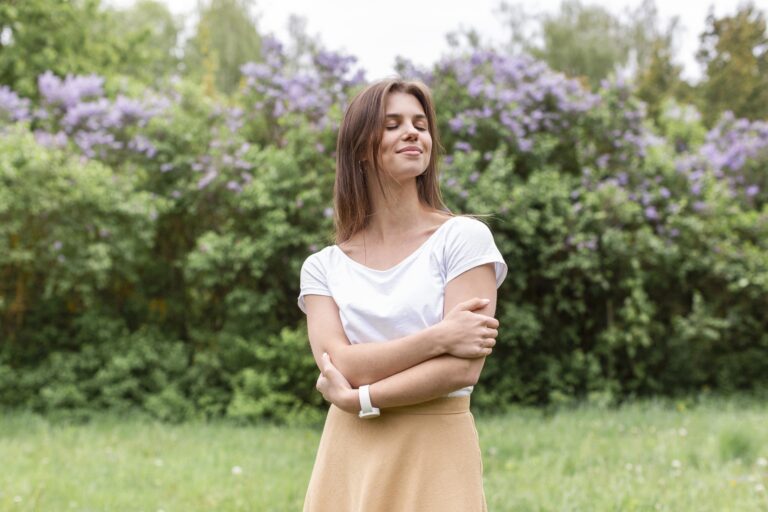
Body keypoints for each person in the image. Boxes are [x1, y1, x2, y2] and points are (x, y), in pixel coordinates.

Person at [297, 78, 507, 511]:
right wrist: (439, 337)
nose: (412, 132)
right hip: (349, 450)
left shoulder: (463, 239)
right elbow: (341, 365)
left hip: (436, 449)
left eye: (420, 124)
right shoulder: (322, 268)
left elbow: (461, 371)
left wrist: (363, 399)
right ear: (360, 148)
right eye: (392, 124)